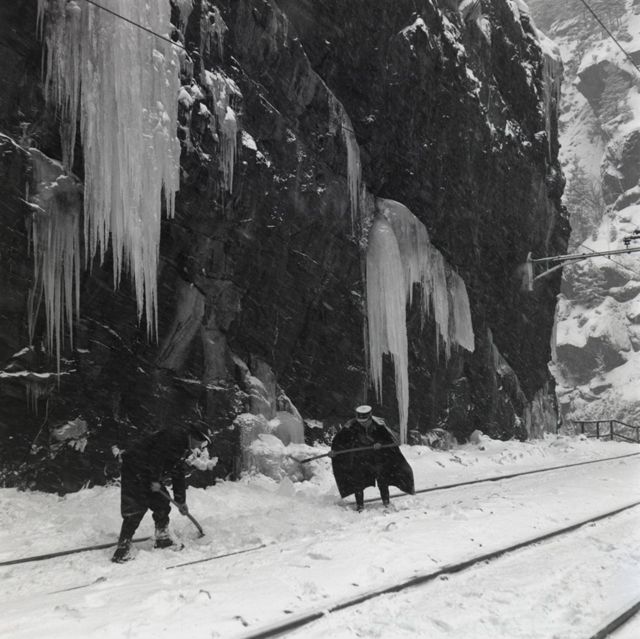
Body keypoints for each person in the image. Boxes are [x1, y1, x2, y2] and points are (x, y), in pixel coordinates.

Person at [111, 423, 212, 563]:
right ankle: (122, 549)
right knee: (136, 507)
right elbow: (156, 456)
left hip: (148, 472)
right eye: (202, 442)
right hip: (135, 468)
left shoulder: (183, 445)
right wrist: (154, 479)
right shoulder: (174, 437)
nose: (201, 446)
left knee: (162, 502)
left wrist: (181, 501)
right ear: (195, 436)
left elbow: (178, 472)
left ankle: (162, 537)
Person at [330, 405, 415, 511]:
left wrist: (380, 443)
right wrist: (334, 451)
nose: (362, 424)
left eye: (365, 422)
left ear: (370, 418)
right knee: (358, 481)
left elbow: (390, 439)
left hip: (378, 458)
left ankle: (386, 502)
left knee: (383, 480)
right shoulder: (351, 426)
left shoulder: (380, 424)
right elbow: (340, 441)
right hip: (360, 458)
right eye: (360, 422)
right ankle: (360, 506)